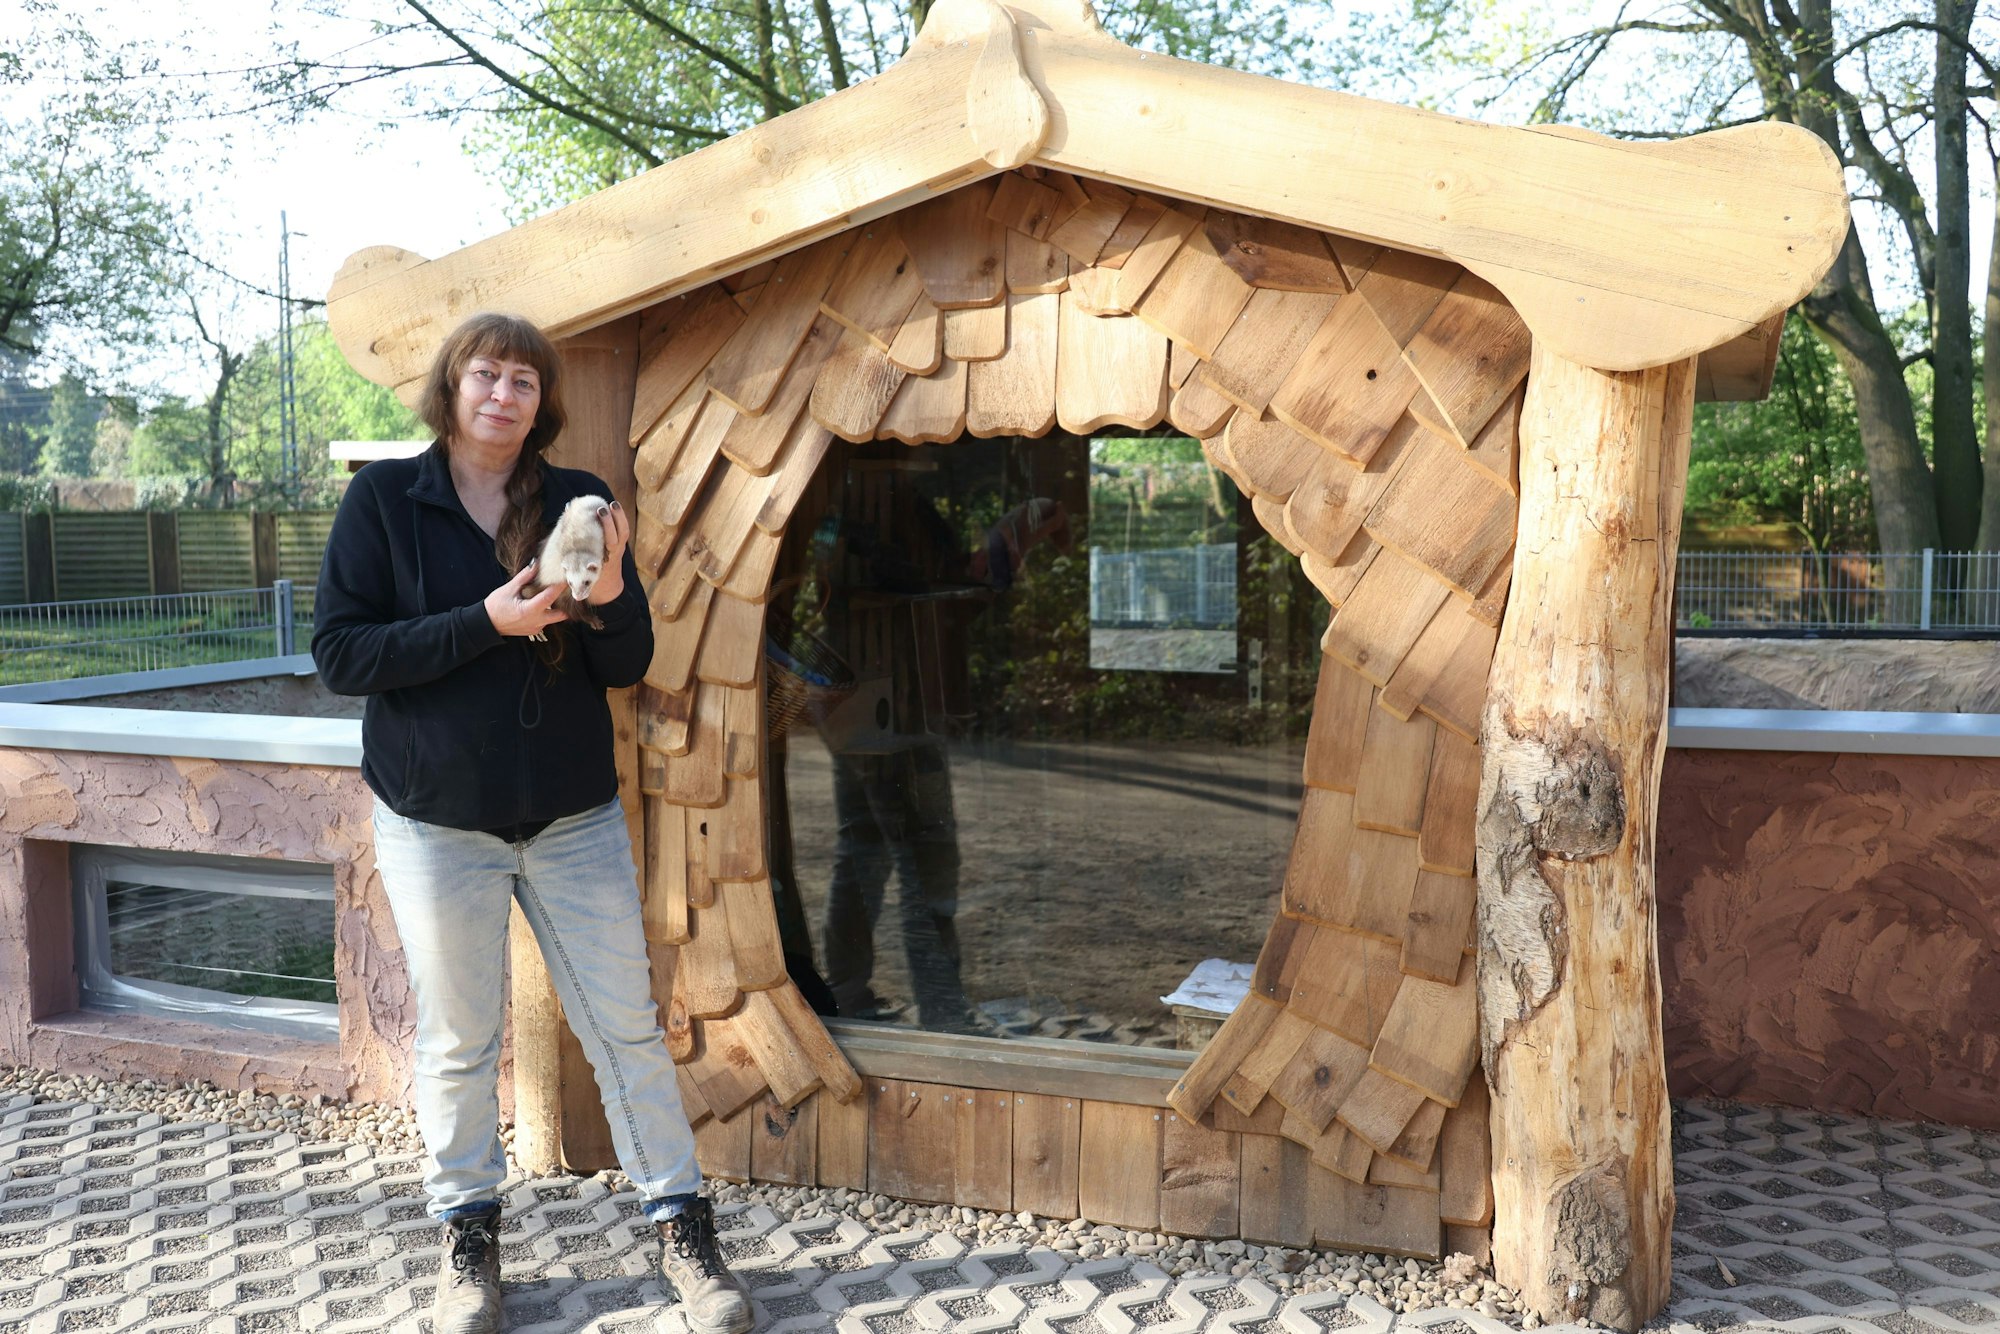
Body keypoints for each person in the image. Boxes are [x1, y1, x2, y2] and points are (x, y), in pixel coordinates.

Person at [311, 313, 751, 1334]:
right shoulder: (385, 498)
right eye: (485, 373)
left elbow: (624, 662)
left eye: (521, 379)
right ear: (451, 387)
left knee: (625, 1026)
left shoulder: (572, 499)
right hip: (436, 819)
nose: (502, 392)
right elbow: (341, 654)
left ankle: (684, 1231)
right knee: (460, 1040)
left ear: (539, 401)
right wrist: (485, 623)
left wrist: (610, 590)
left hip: (569, 814)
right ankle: (468, 1241)